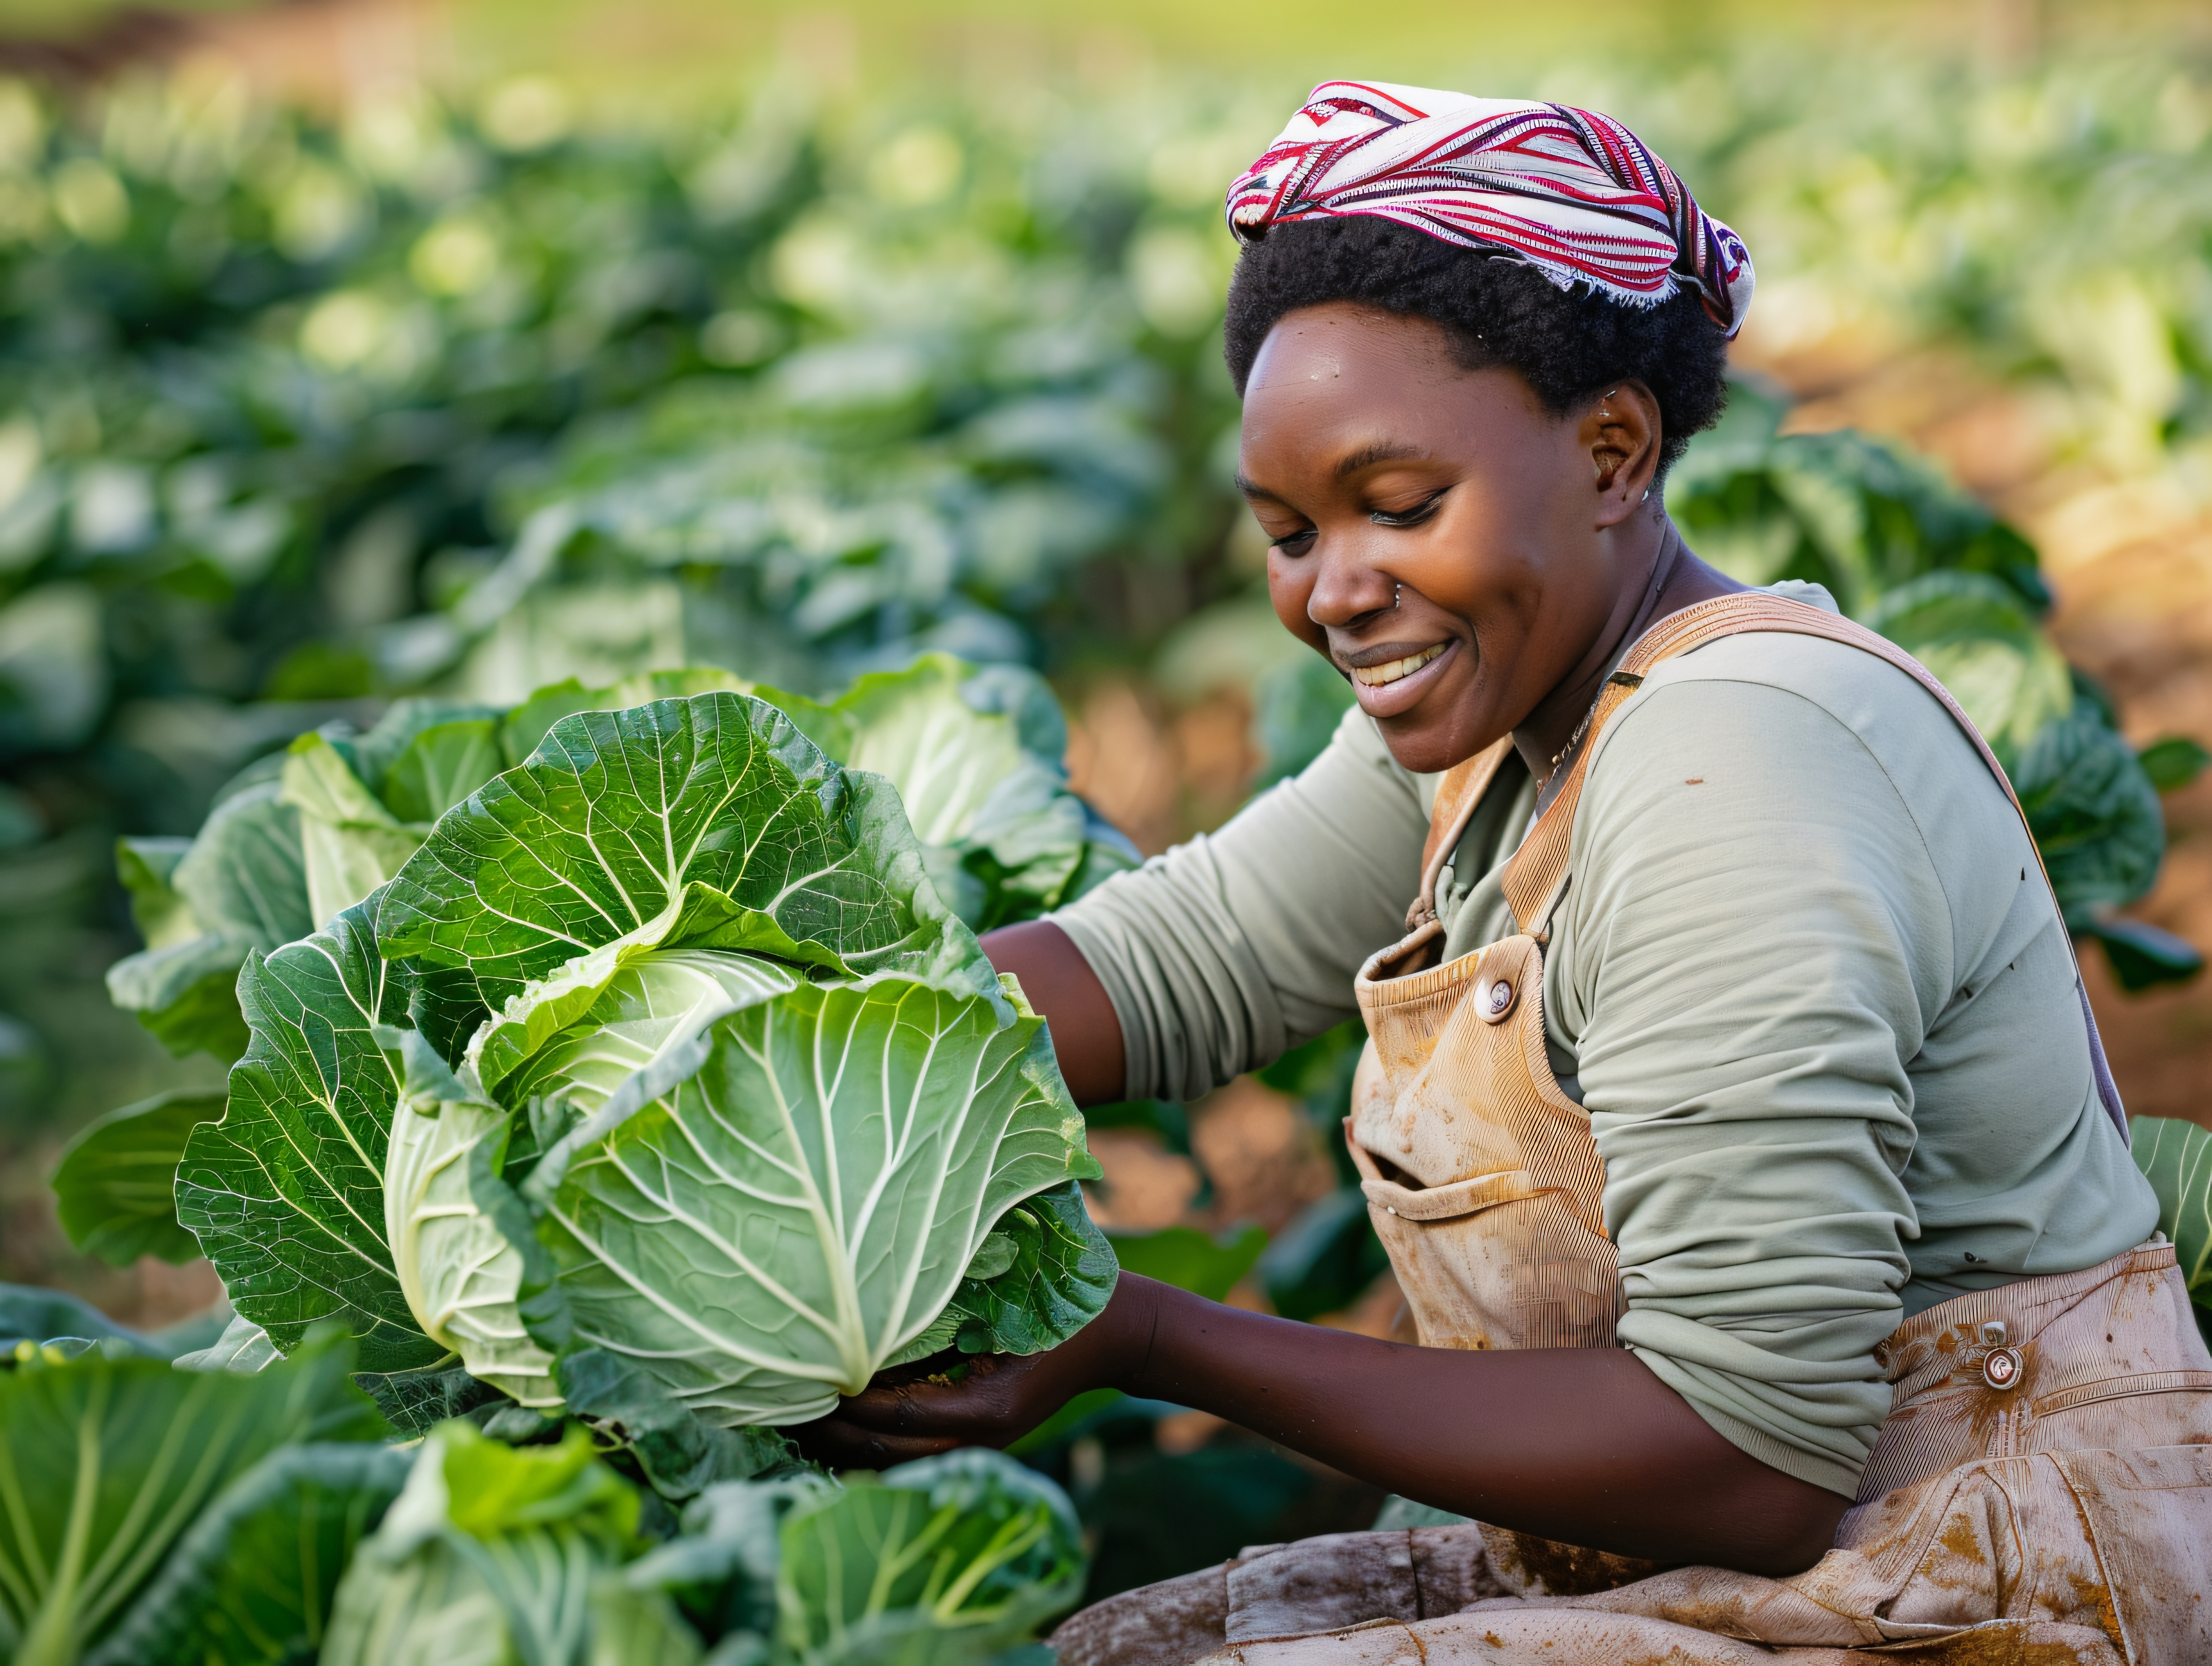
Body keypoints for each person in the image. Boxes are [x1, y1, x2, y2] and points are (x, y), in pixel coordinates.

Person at [805, 84, 2212, 1664]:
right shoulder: (1507, 705)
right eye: (1287, 534)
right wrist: (753, 1054)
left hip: (1976, 1584)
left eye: (1400, 508)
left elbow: (1750, 1452)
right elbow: (1184, 964)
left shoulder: (1735, 764)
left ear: (1614, 450)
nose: (1336, 591)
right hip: (1749, 1555)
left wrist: (1148, 1336)